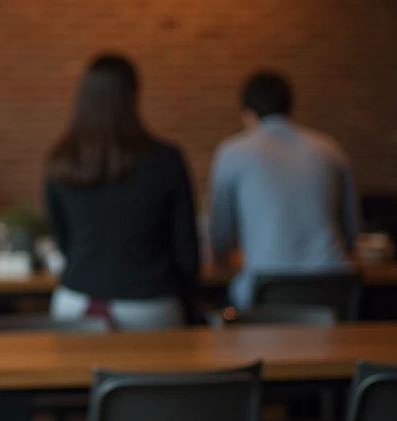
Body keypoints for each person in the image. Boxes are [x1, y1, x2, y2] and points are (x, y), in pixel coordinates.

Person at [44, 54, 200, 329]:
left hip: (76, 302)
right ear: (133, 95)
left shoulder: (61, 159)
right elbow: (187, 250)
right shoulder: (167, 160)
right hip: (151, 305)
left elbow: (62, 239)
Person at [208, 70, 358, 309]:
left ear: (248, 114)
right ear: (291, 110)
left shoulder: (232, 153)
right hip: (334, 289)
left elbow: (219, 236)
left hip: (267, 291)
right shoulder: (330, 149)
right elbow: (350, 231)